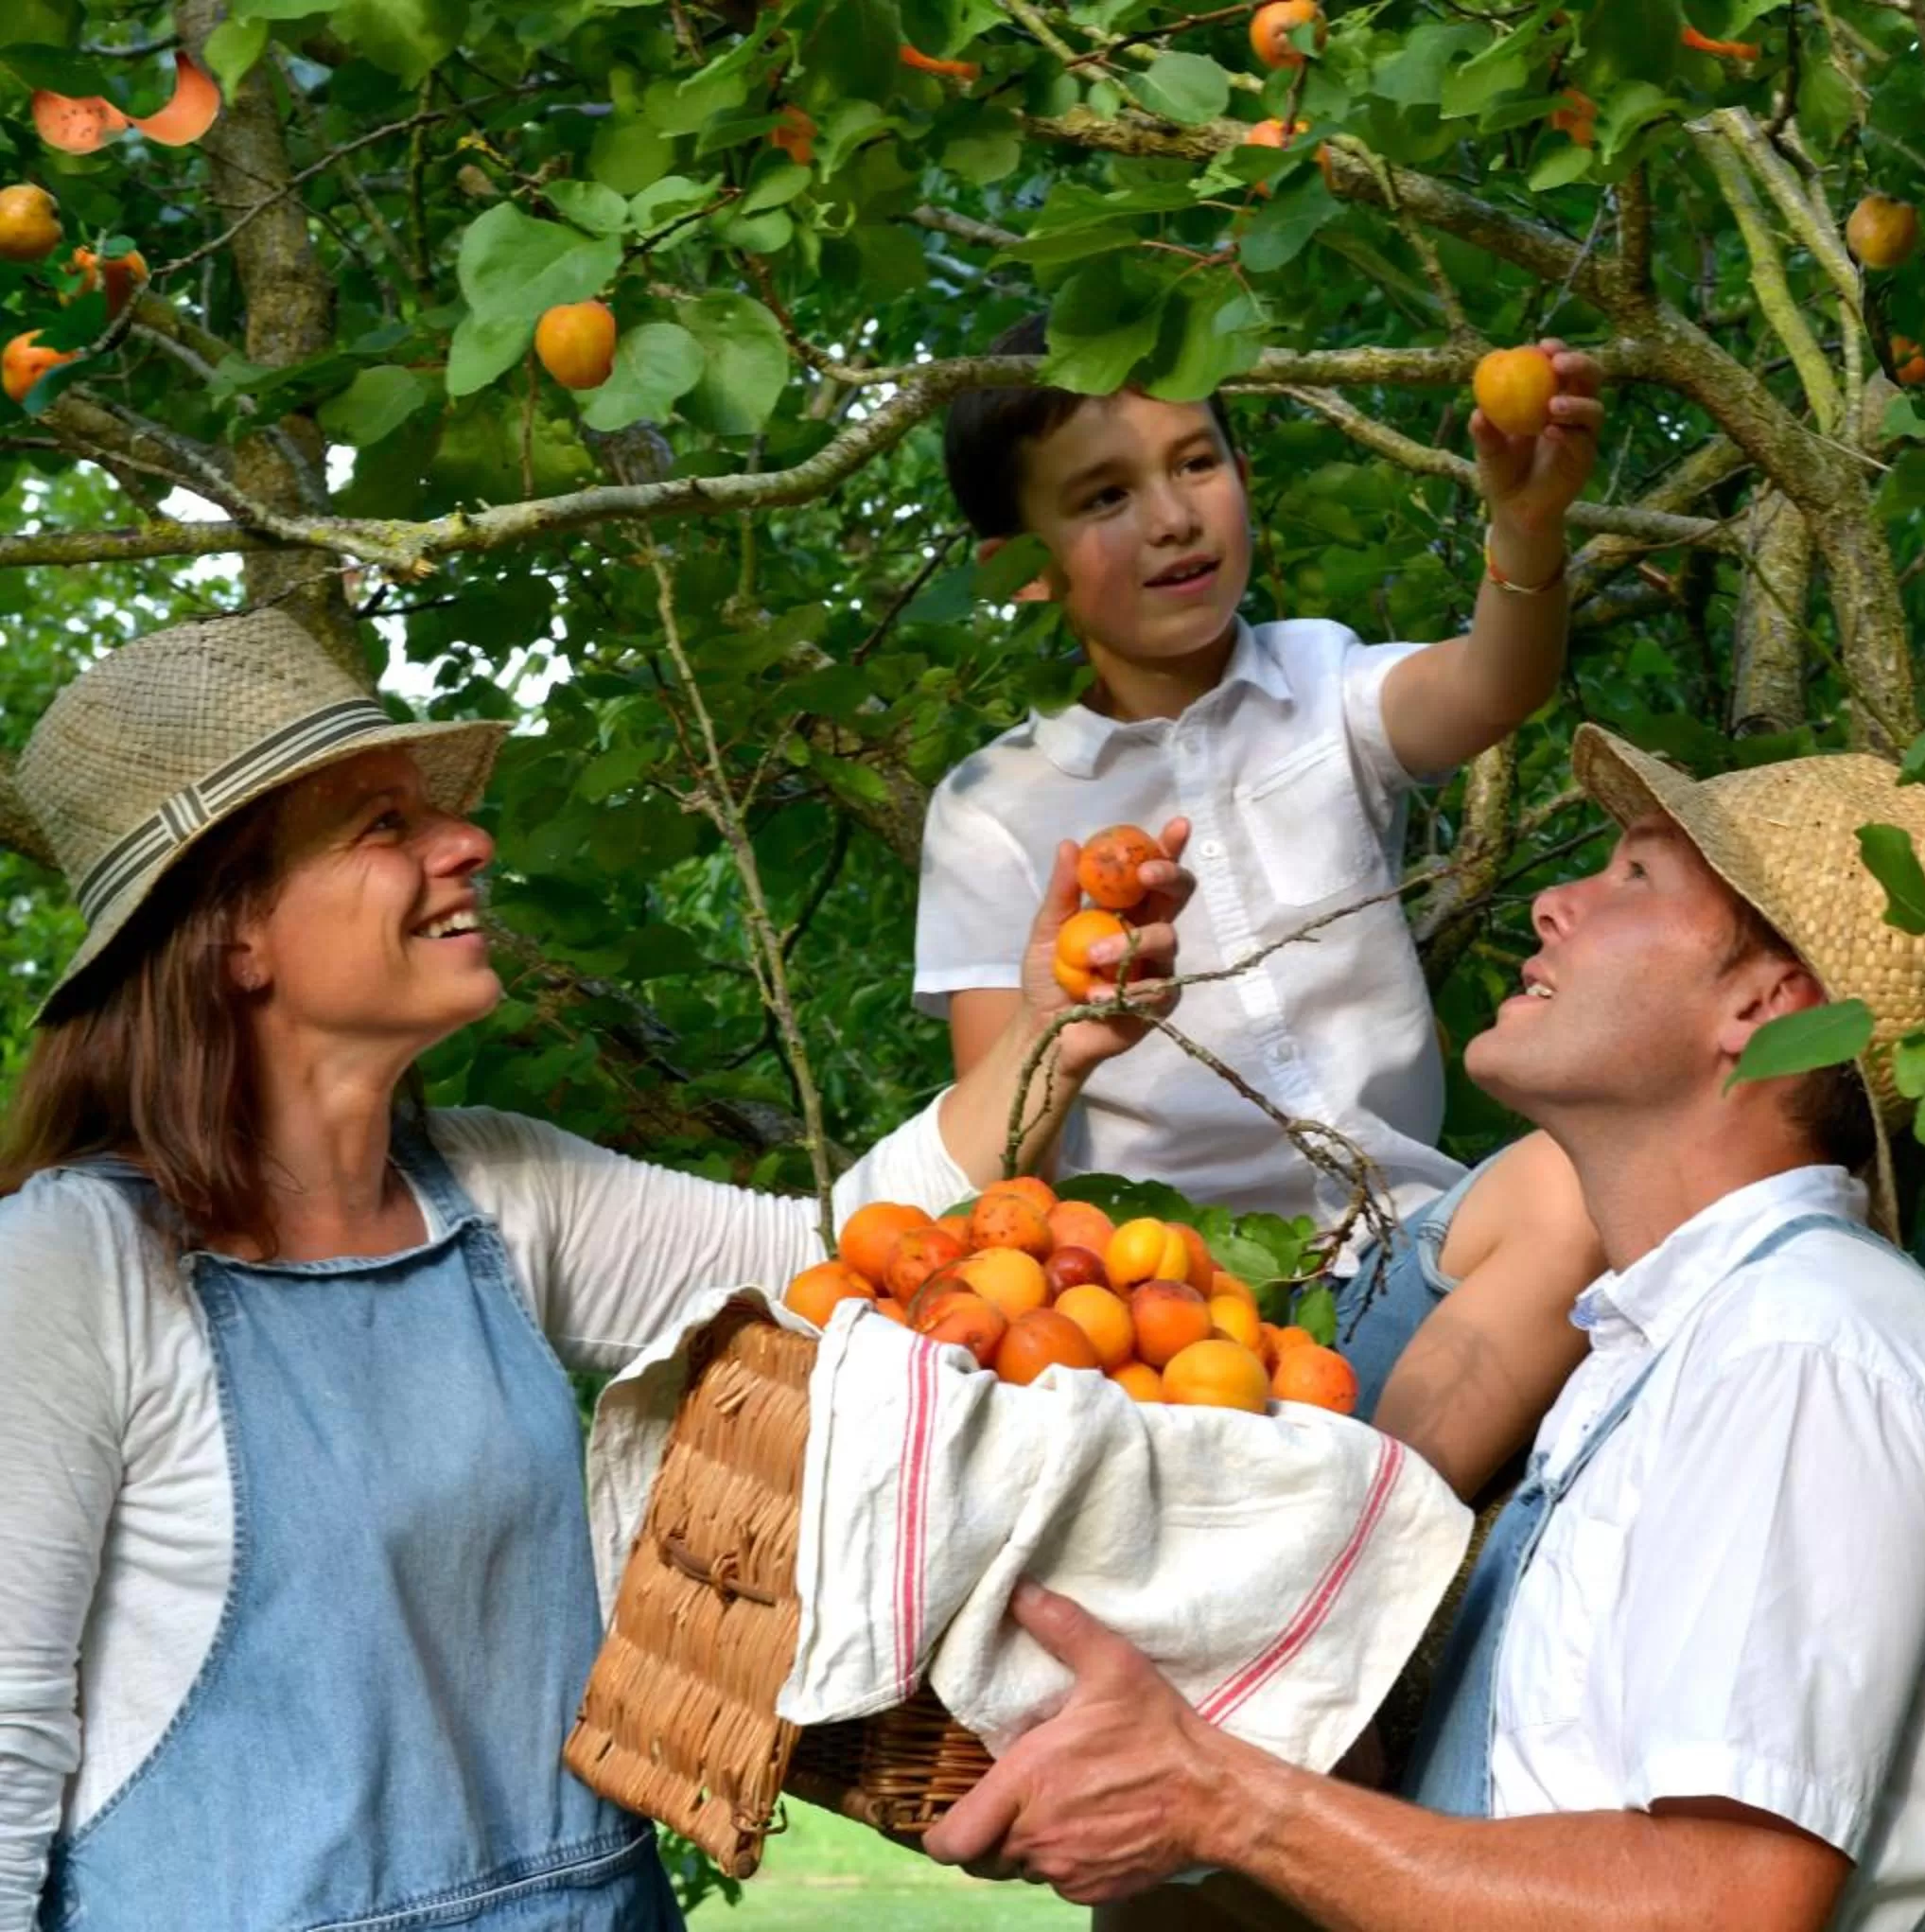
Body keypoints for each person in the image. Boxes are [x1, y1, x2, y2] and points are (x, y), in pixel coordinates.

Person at [0, 610, 1183, 1932]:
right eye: (384, 826)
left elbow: (849, 1254)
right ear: (233, 936)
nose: (469, 841)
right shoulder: (74, 1265)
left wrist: (1049, 1032)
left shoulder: (501, 1192)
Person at [919, 726, 1925, 1932]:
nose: (1554, 901)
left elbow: (1729, 1903)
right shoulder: (1655, 1354)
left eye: (1633, 877)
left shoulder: (1802, 1349)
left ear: (1768, 1004)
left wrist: (1225, 1800)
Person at [914, 318, 1606, 1496]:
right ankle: (1356, 1520)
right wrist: (1072, 1021)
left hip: (1409, 1246)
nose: (1174, 516)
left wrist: (1525, 521)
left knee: (1589, 1180)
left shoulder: (1318, 682)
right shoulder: (994, 809)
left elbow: (1495, 683)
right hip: (1180, 1312)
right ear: (1017, 567)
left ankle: (1375, 1516)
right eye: (1102, 497)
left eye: (1196, 461)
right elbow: (1001, 1149)